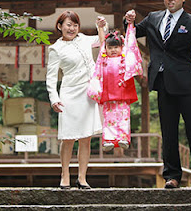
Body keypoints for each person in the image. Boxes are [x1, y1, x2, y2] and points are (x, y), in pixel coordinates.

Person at [125, 0, 191, 190]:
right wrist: (128, 21)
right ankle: (171, 176)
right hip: (162, 82)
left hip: (187, 85)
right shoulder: (153, 18)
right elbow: (134, 32)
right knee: (168, 131)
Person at [46, 10, 103, 189]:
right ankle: (64, 175)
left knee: (86, 137)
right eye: (68, 25)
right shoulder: (56, 49)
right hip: (69, 94)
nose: (72, 28)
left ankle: (82, 177)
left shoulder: (84, 39)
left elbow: (102, 42)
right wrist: (54, 98)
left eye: (75, 25)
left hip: (88, 92)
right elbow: (51, 77)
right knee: (68, 137)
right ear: (60, 26)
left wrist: (101, 26)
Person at [87, 21, 143, 152]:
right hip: (108, 92)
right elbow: (102, 43)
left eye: (116, 47)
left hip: (122, 93)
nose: (113, 50)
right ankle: (109, 139)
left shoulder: (125, 58)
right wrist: (101, 28)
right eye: (110, 47)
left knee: (123, 115)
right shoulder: (104, 60)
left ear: (122, 47)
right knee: (108, 117)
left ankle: (123, 138)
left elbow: (131, 46)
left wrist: (130, 25)